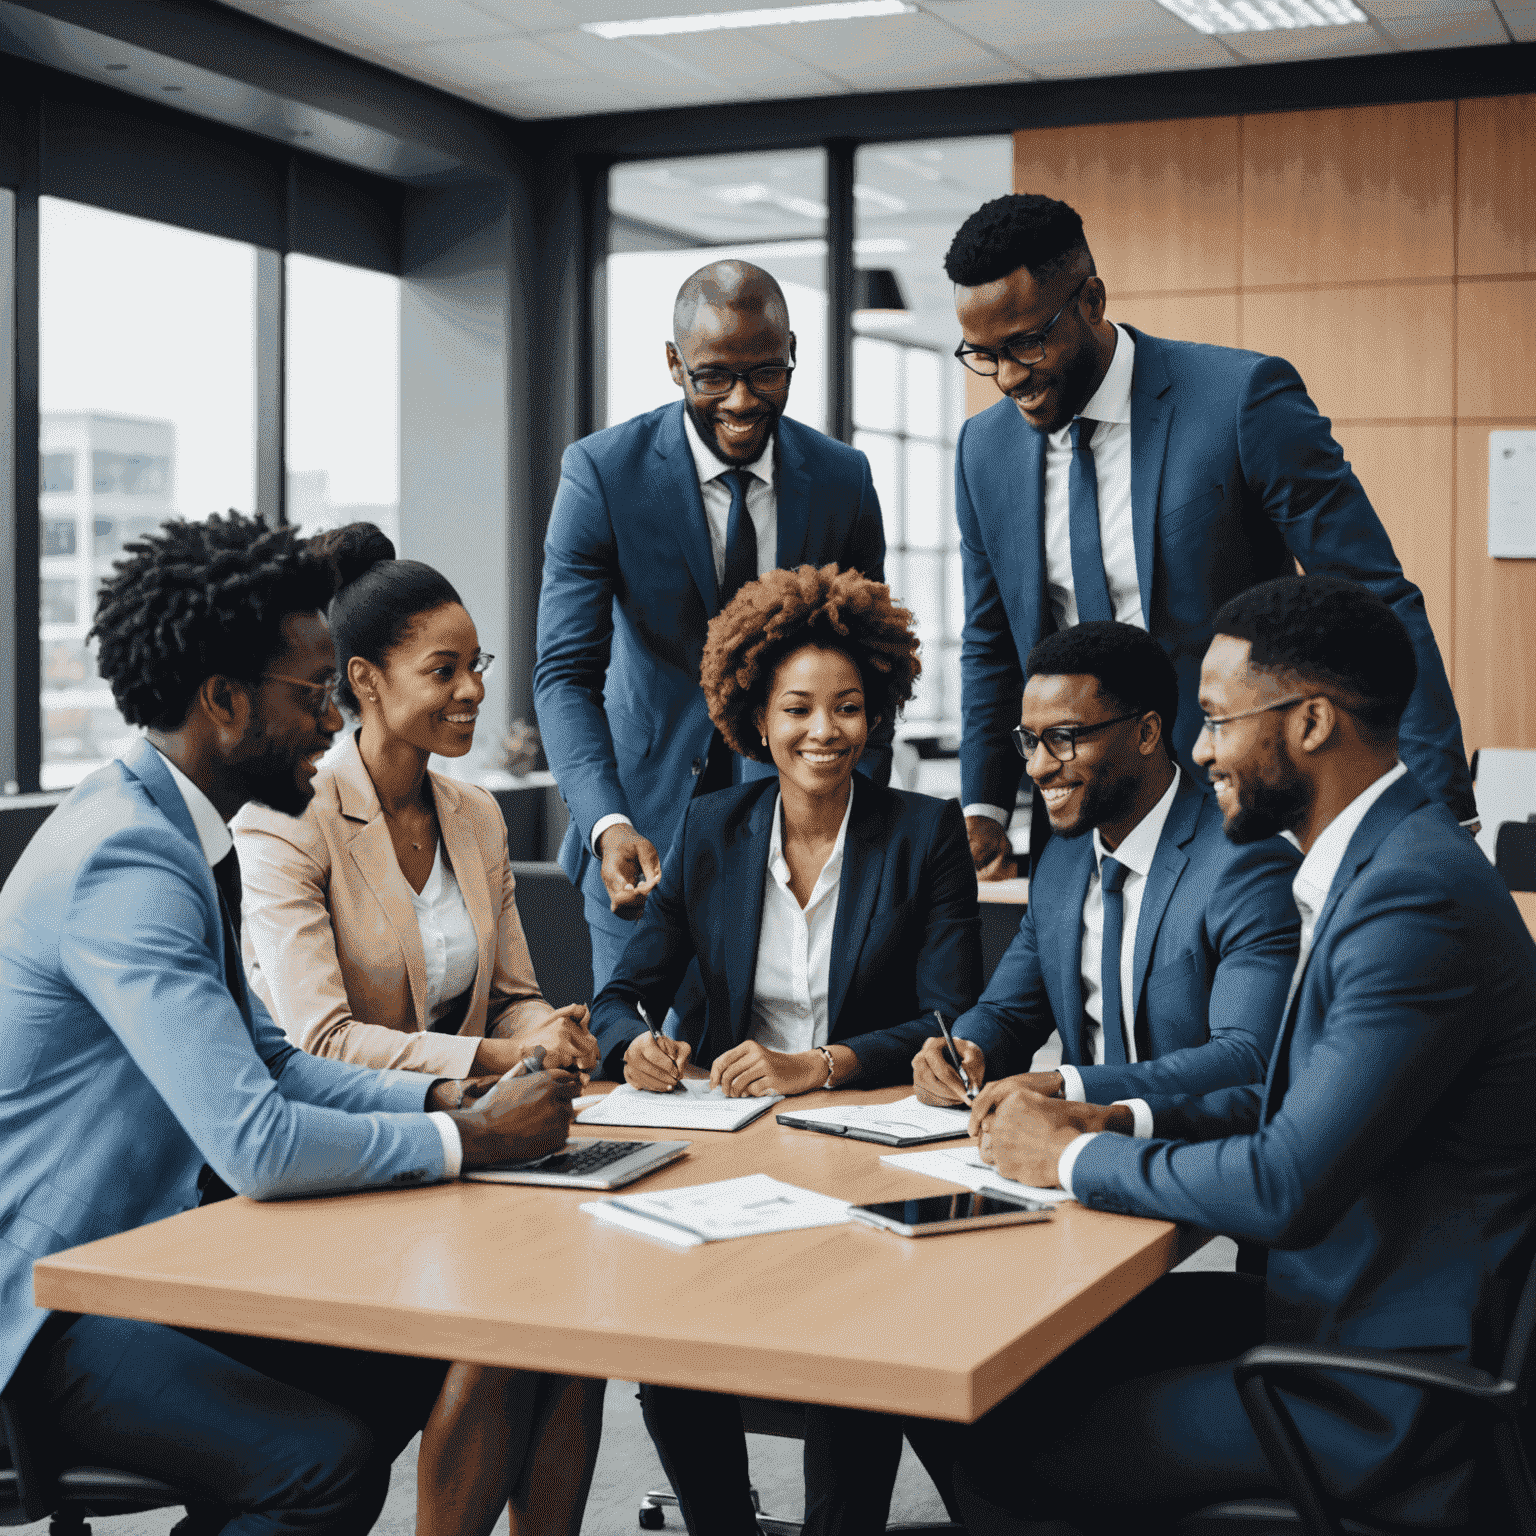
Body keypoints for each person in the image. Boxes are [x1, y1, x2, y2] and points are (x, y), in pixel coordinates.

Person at [910, 575, 1536, 1534]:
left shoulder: (1414, 900)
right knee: (990, 1359)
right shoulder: (1382, 865)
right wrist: (1109, 1117)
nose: (1200, 752)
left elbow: (1285, 1182)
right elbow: (1286, 1102)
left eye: (1215, 721)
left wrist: (1070, 1158)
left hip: (1388, 1382)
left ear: (1313, 723)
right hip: (1336, 1310)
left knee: (1002, 1438)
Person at [0, 513, 581, 1536]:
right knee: (315, 1467)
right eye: (310, 693)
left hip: (150, 1260)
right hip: (45, 1308)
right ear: (222, 700)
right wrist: (472, 1137)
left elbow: (270, 1056)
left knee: (422, 1358)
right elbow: (258, 1139)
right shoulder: (125, 859)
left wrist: (454, 1092)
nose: (330, 718)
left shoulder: (180, 828)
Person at [589, 564, 980, 1536]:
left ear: (876, 711)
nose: (823, 731)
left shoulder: (922, 833)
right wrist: (636, 1043)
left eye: (848, 707)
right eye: (798, 707)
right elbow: (618, 995)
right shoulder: (713, 828)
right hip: (733, 1146)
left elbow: (952, 1012)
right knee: (673, 1334)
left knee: (857, 1344)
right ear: (753, 715)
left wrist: (828, 1062)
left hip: (867, 1148)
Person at [233, 524, 602, 1536]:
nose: (475, 690)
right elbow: (319, 1041)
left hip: (485, 1141)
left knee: (581, 1322)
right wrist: (498, 1057)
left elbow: (517, 992)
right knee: (508, 1319)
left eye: (476, 664)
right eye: (444, 669)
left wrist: (550, 1031)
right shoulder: (285, 820)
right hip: (351, 1151)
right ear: (365, 678)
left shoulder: (476, 815)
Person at [947, 193, 1475, 883]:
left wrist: (1440, 810)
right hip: (1082, 822)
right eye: (984, 355)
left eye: (1026, 344)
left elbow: (1373, 601)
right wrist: (984, 807)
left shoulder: (1240, 399)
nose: (1009, 377)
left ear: (1092, 300)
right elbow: (992, 641)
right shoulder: (982, 451)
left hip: (1238, 807)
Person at [535, 259, 887, 993]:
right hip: (642, 831)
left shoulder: (843, 478)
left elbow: (872, 664)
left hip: (802, 836)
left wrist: (862, 815)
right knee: (634, 1061)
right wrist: (607, 821)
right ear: (674, 364)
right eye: (713, 377)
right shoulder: (602, 474)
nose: (742, 400)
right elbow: (565, 676)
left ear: (793, 354)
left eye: (767, 373)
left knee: (770, 1067)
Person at [913, 620, 1300, 1120]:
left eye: (1064, 738)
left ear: (1146, 733)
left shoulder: (1247, 861)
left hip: (1187, 1159)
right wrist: (966, 1050)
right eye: (1031, 741)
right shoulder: (1065, 859)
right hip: (1056, 1155)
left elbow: (1246, 1057)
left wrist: (1067, 1086)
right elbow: (1009, 1012)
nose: (1037, 767)